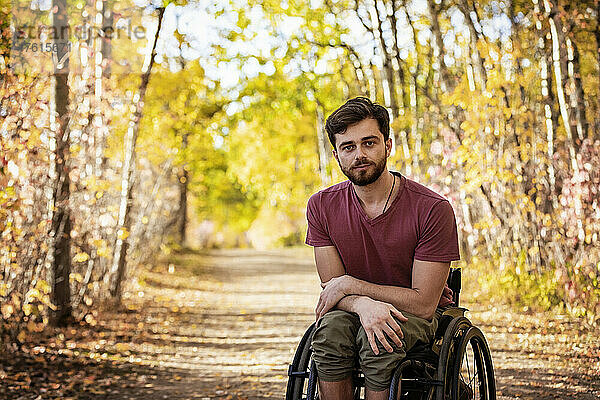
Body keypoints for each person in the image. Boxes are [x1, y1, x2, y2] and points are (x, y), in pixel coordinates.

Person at [305, 97, 460, 400]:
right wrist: (362, 304)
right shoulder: (321, 206)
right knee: (328, 334)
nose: (359, 155)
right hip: (351, 310)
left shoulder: (432, 209)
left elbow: (424, 304)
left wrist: (351, 286)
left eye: (369, 143)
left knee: (379, 339)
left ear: (388, 146)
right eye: (348, 147)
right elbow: (332, 289)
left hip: (414, 314)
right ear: (337, 155)